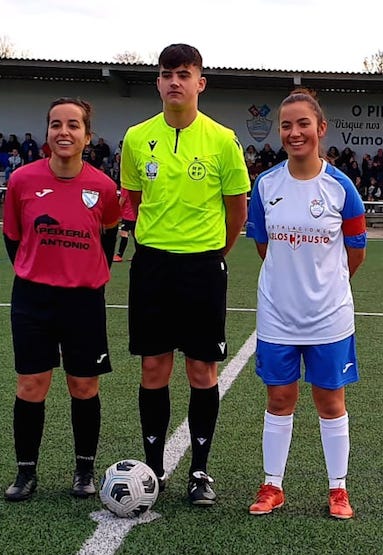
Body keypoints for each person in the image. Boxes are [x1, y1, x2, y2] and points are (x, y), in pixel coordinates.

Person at [120, 43, 250, 506]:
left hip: (202, 267)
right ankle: (152, 470)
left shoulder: (223, 139)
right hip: (153, 265)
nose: (174, 81)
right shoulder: (136, 138)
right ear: (157, 82)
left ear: (200, 82)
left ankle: (199, 471)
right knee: (154, 367)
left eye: (184, 73)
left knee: (201, 369)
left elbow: (238, 210)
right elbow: (132, 202)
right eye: (166, 73)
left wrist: (215, 253)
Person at [245, 88, 366, 520]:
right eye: (286, 125)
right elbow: (263, 245)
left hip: (328, 317)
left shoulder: (341, 187)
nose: (294, 133)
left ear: (320, 128)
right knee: (279, 399)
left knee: (331, 402)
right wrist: (290, 283)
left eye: (302, 124)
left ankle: (338, 489)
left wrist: (325, 286)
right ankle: (272, 485)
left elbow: (356, 249)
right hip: (278, 314)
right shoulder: (266, 184)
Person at [1, 97, 121, 502]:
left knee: (83, 386)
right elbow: (13, 239)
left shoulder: (103, 187)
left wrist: (82, 273)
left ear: (88, 136)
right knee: (32, 384)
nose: (64, 132)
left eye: (73, 125)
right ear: (47, 133)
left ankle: (84, 471)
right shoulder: (21, 181)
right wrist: (39, 270)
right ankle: (25, 473)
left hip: (83, 300)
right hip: (33, 299)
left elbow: (107, 238)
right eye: (56, 124)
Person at [113, 188, 137, 262]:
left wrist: (116, 212)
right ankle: (137, 255)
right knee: (135, 236)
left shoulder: (125, 188)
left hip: (127, 215)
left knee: (124, 234)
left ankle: (119, 255)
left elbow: (121, 201)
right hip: (135, 215)